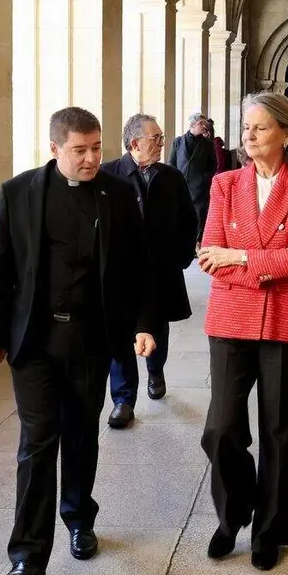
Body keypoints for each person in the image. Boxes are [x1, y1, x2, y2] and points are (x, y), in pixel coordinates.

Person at [0, 107, 157, 575]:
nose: (90, 158)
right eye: (79, 150)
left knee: (81, 434)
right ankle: (28, 555)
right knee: (37, 443)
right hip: (35, 341)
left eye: (97, 148)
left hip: (91, 337)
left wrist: (144, 324)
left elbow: (139, 266)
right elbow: (0, 264)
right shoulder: (19, 193)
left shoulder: (118, 194)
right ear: (55, 149)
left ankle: (80, 519)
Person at [196, 92, 288, 571]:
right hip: (231, 321)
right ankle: (233, 514)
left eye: (261, 128)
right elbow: (210, 256)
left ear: (287, 135)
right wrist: (260, 259)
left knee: (281, 431)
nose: (248, 136)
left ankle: (269, 531)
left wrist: (242, 255)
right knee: (221, 428)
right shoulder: (224, 184)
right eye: (246, 127)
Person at [101, 114, 198, 428]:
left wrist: (181, 257)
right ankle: (123, 399)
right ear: (134, 143)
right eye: (155, 137)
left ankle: (156, 371)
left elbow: (189, 219)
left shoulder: (171, 177)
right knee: (119, 333)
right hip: (120, 274)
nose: (161, 142)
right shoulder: (108, 176)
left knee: (158, 328)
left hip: (160, 270)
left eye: (161, 136)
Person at [169, 112, 218, 246]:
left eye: (204, 123)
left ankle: (197, 243)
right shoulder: (178, 142)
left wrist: (204, 178)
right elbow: (171, 163)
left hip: (200, 188)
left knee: (199, 216)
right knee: (181, 214)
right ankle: (183, 241)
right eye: (201, 123)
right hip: (181, 186)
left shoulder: (208, 144)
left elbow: (214, 165)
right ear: (192, 124)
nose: (204, 126)